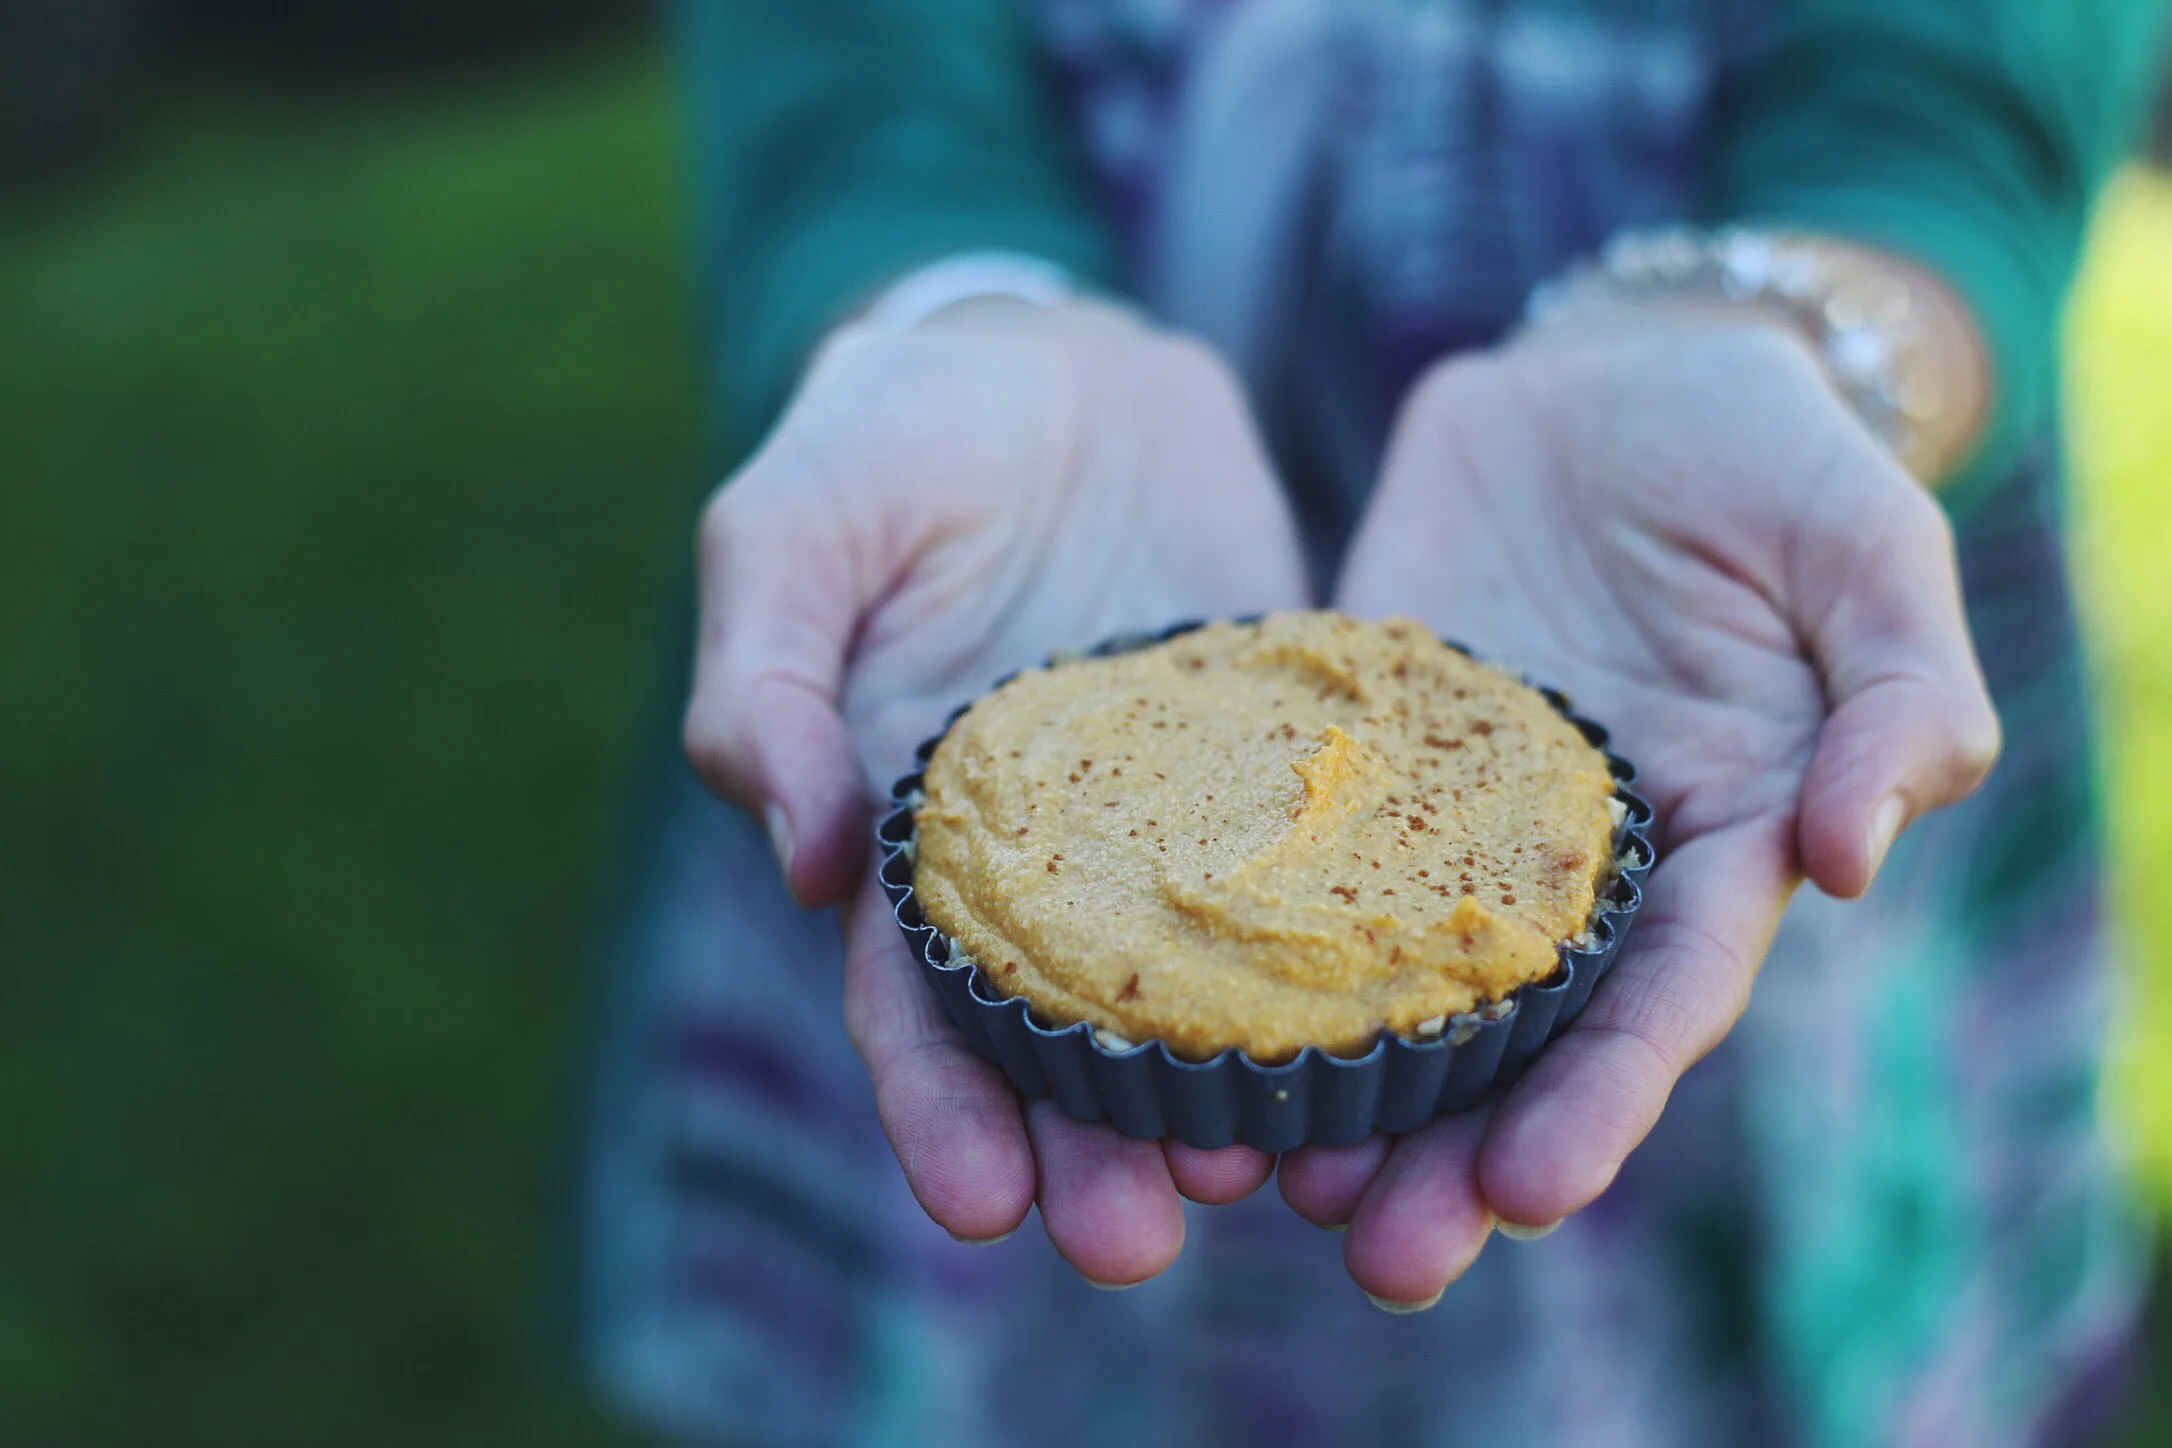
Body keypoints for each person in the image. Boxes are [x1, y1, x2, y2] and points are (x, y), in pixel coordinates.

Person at [579, 2, 2169, 1443]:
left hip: (1704, 636)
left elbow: (1980, 51)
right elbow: (850, 59)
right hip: (983, 583)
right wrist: (938, 297)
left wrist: (1826, 313)